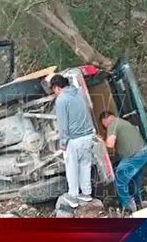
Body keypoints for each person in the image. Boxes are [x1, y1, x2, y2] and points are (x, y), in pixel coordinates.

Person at [50, 74, 95, 208]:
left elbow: (63, 124)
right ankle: (86, 193)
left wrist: (63, 143)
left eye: (54, 90)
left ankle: (73, 196)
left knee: (72, 168)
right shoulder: (79, 93)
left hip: (73, 140)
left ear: (57, 88)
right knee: (85, 165)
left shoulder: (61, 99)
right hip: (87, 136)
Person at [99, 111, 147, 210]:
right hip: (144, 153)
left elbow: (110, 144)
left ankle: (128, 207)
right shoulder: (122, 122)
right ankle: (140, 202)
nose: (105, 128)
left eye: (103, 125)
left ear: (105, 120)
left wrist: (101, 140)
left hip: (135, 156)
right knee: (135, 179)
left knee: (120, 179)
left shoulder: (113, 124)